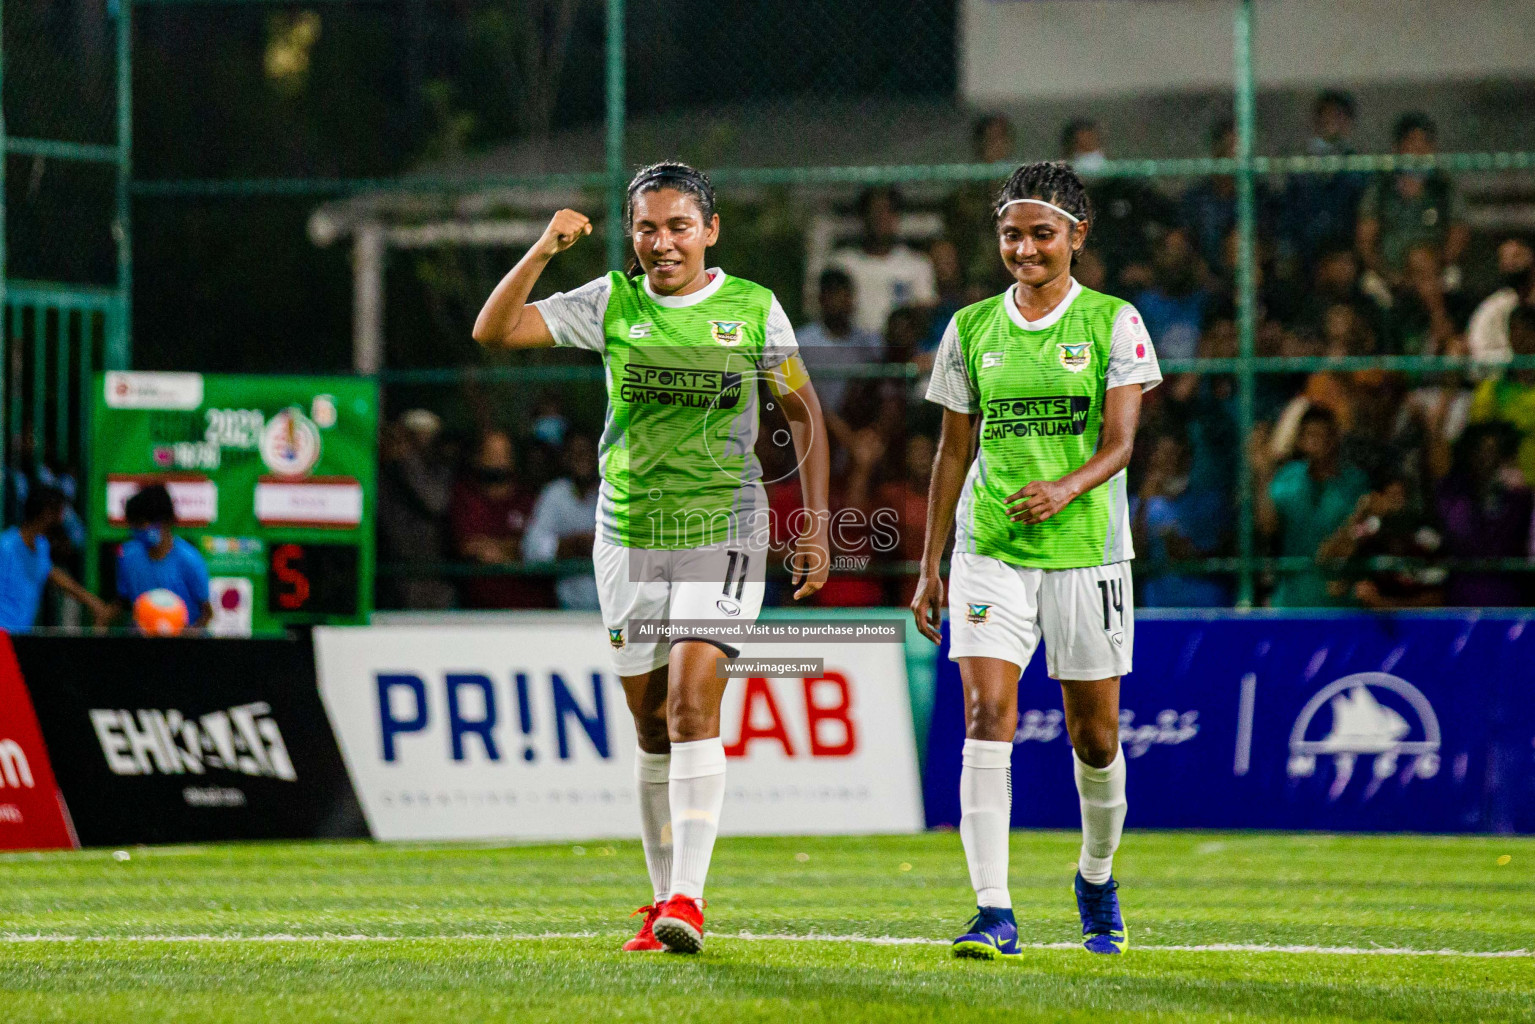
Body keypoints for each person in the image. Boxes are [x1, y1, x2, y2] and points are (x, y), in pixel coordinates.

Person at [471, 162, 830, 954]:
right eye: (646, 227)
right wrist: (541, 248)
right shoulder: (610, 301)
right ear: (630, 234)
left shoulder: (752, 307)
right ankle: (658, 899)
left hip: (725, 528)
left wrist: (813, 519)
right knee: (650, 724)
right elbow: (493, 331)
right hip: (628, 533)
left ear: (709, 230)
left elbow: (803, 412)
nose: (662, 242)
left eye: (677, 226)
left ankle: (688, 901)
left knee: (694, 704)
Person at [913, 161, 1162, 960]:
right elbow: (951, 454)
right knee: (987, 717)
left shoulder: (1112, 322)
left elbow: (1121, 444)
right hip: (991, 549)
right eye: (1011, 234)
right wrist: (931, 562)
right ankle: (993, 910)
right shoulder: (971, 328)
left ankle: (1095, 875)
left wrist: (1065, 487)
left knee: (1095, 737)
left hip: (1086, 551)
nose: (1023, 248)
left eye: (1040, 234)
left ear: (1076, 238)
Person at [1252, 406, 1369, 607]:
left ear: (1335, 438)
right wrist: (1263, 474)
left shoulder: (1355, 482)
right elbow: (1268, 526)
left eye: (1324, 435)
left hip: (1339, 602)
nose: (1317, 441)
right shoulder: (1288, 477)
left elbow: (1361, 536)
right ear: (1299, 440)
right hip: (1292, 601)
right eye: (1309, 435)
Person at [1357, 113, 1468, 282]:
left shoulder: (1443, 186)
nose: (1419, 150)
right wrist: (1388, 275)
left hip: (1435, 272)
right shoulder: (1381, 186)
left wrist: (1433, 269)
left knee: (1422, 262)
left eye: (1425, 143)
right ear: (1397, 148)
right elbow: (1365, 240)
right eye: (1412, 142)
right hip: (1387, 274)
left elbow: (1457, 235)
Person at [449, 429, 549, 609]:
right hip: (479, 613)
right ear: (478, 458)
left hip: (530, 612)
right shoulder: (465, 496)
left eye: (502, 454)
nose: (497, 460)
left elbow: (537, 549)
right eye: (491, 453)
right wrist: (514, 554)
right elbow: (468, 546)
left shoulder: (529, 499)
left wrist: (502, 551)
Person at [828, 185, 936, 336]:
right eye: (875, 211)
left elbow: (925, 313)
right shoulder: (842, 263)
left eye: (888, 211)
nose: (880, 218)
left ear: (896, 217)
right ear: (863, 216)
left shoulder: (917, 264)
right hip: (854, 350)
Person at [0, 486, 111, 633]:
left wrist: (93, 603)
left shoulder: (41, 545)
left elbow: (54, 575)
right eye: (60, 511)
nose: (62, 518)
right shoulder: (6, 546)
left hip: (22, 636)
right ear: (47, 513)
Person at [377, 409, 455, 610]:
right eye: (414, 435)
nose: (422, 441)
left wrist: (406, 460)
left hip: (433, 581)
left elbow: (435, 502)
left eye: (427, 435)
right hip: (392, 578)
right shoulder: (384, 475)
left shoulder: (441, 471)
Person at [1281, 90, 1369, 263]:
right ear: (1317, 121)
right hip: (1305, 254)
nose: (1332, 122)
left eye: (1339, 116)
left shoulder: (1360, 167)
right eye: (1327, 115)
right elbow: (1289, 213)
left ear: (1348, 123)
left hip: (1345, 256)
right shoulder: (1300, 167)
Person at [111, 484, 213, 629]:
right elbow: (121, 602)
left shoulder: (190, 560)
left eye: (141, 523)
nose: (136, 530)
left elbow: (207, 613)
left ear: (164, 522)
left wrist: (189, 635)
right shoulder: (127, 556)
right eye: (134, 524)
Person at [794, 267, 883, 428]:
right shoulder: (800, 342)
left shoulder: (870, 343)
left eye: (844, 295)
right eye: (832, 295)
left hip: (858, 424)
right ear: (821, 299)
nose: (839, 302)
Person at [523, 434, 602, 610]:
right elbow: (531, 549)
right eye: (575, 453)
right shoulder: (555, 494)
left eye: (587, 452)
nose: (582, 458)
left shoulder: (617, 493)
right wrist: (571, 546)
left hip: (616, 613)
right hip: (566, 614)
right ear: (565, 458)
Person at [1467, 237, 1534, 368]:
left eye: (1517, 256)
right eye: (1506, 259)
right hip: (1506, 378)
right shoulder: (1494, 306)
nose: (1512, 264)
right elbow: (1478, 350)